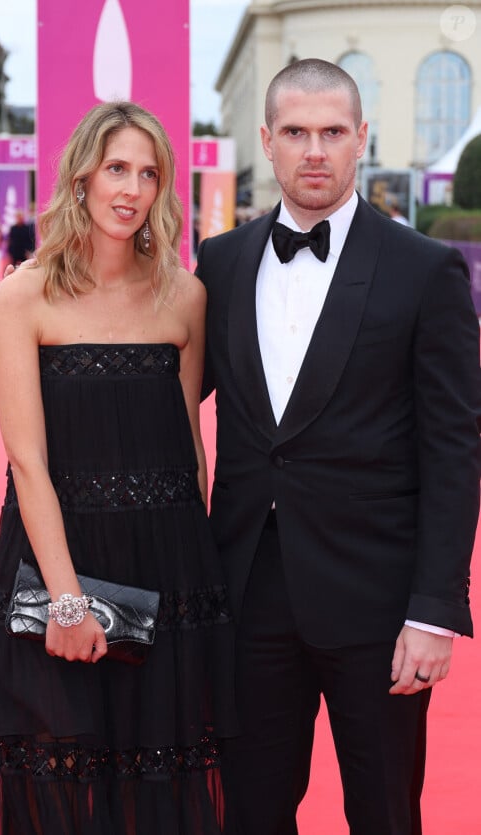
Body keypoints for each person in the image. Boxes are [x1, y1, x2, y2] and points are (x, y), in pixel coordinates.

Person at [195, 58, 480, 835]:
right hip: (249, 593)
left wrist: (435, 609)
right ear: (267, 141)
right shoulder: (221, 264)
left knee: (384, 815)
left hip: (379, 606)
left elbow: (455, 449)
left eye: (331, 132)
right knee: (247, 812)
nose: (313, 149)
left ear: (361, 139)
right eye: (295, 132)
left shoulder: (425, 271)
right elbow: (165, 399)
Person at [0, 101, 236, 835]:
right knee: (64, 779)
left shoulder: (183, 295)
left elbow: (188, 443)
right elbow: (26, 460)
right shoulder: (27, 293)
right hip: (60, 558)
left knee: (163, 776)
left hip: (168, 564)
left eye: (148, 173)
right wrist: (65, 599)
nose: (130, 189)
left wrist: (197, 569)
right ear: (81, 175)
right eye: (116, 168)